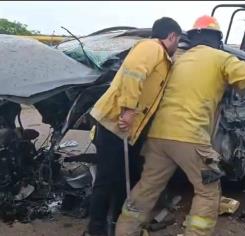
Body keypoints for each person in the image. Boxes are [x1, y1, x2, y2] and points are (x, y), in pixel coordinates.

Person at [115, 15, 245, 236]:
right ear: (217, 39)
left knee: (148, 186)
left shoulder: (177, 59)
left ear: (192, 37)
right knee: (208, 190)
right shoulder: (221, 58)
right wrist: (232, 87)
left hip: (158, 136)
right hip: (191, 137)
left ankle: (125, 230)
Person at [83, 17, 182, 236]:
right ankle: (95, 229)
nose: (177, 45)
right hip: (114, 123)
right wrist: (128, 110)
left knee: (119, 178)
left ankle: (113, 225)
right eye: (178, 40)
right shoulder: (151, 47)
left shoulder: (163, 58)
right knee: (107, 179)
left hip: (125, 128)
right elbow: (133, 74)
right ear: (172, 36)